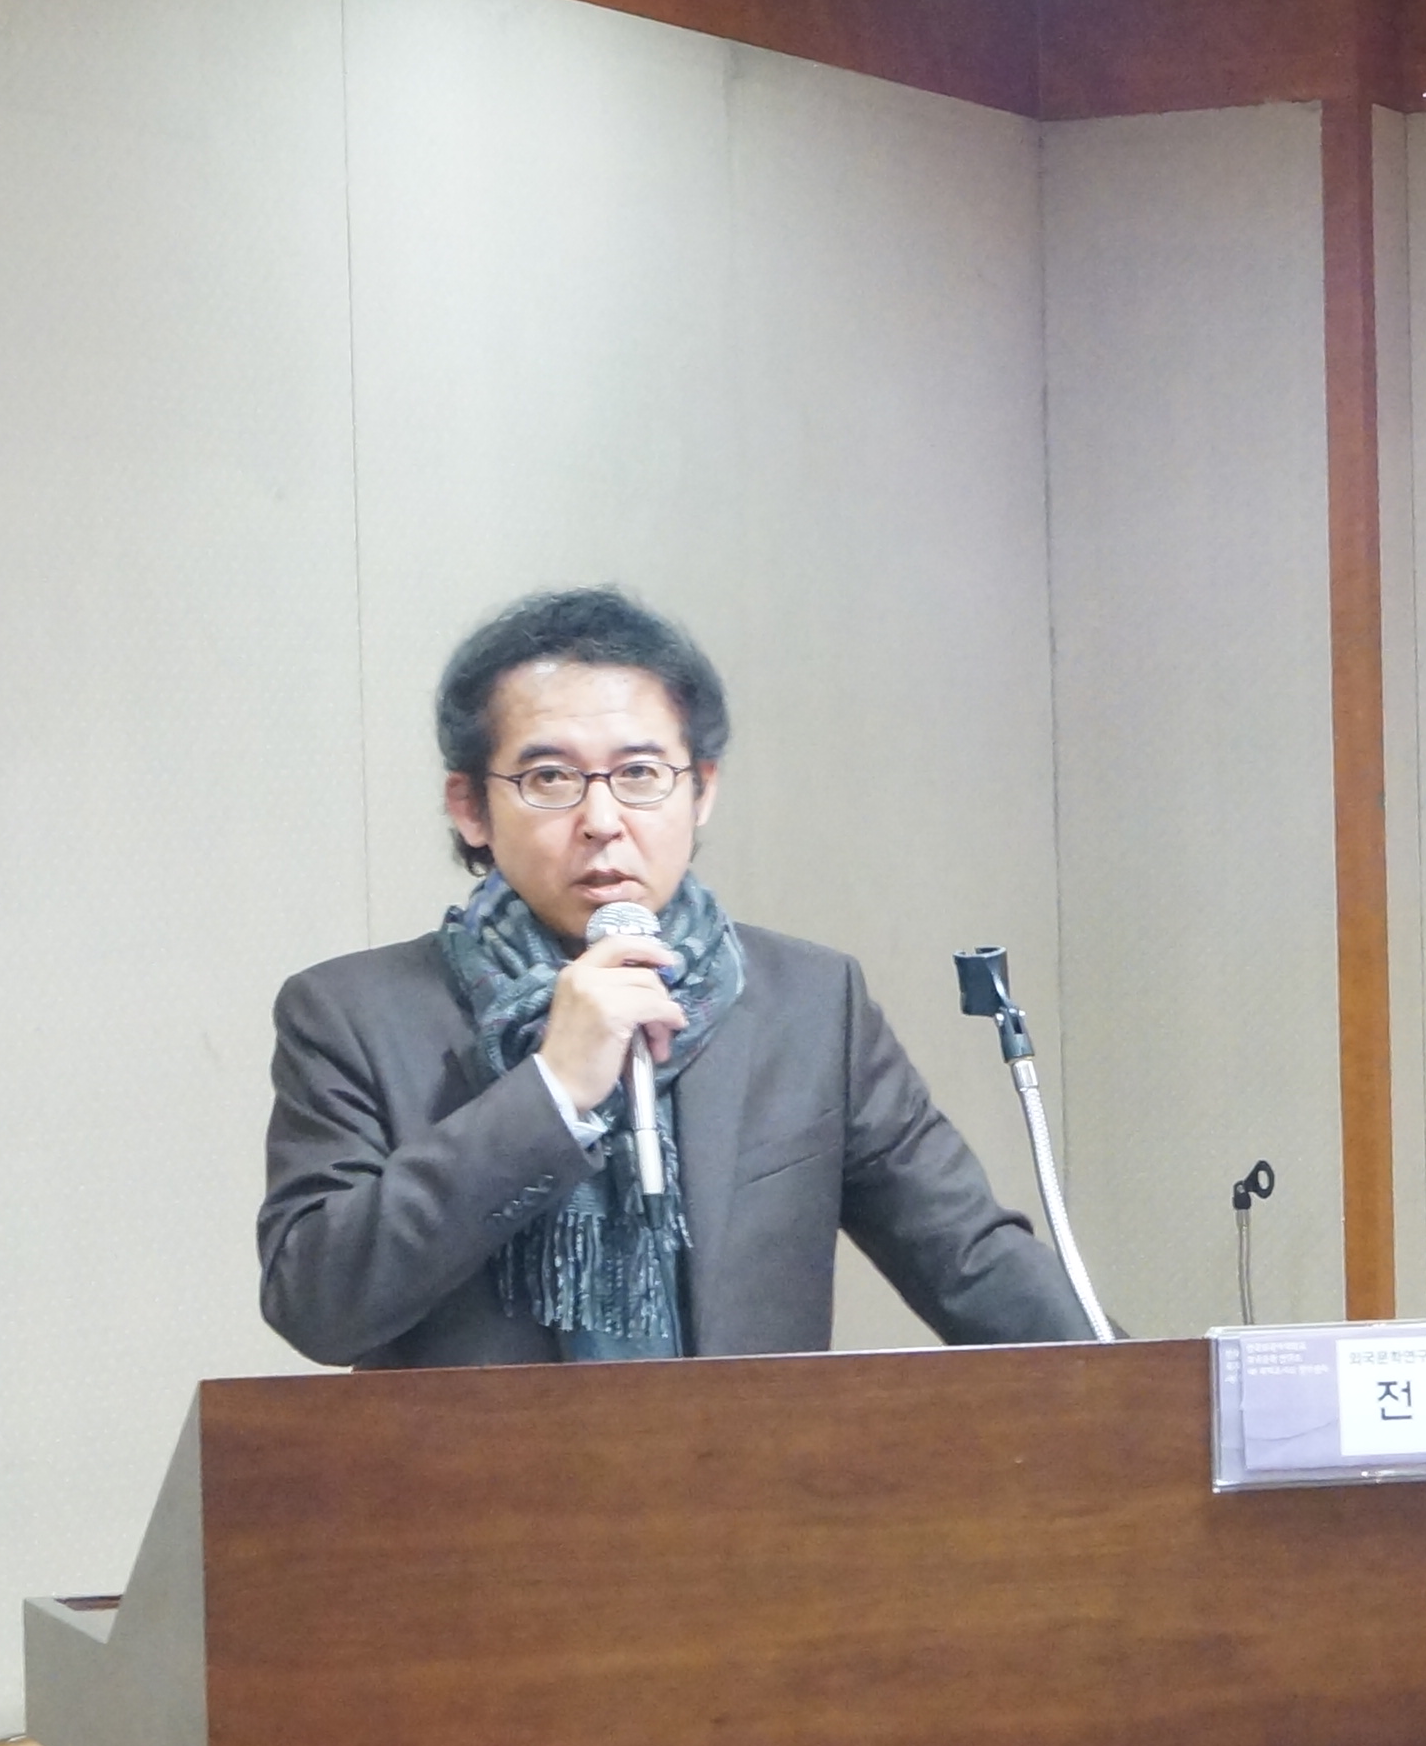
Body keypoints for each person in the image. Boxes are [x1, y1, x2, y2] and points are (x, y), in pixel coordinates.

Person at [258, 584, 1087, 1369]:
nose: (602, 820)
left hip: (746, 1471)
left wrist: (1151, 1398)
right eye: (550, 778)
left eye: (639, 774)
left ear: (701, 791)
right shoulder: (353, 1015)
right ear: (471, 807)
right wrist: (551, 1093)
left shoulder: (809, 1005)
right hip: (478, 1476)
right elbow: (317, 1304)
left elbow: (971, 1263)